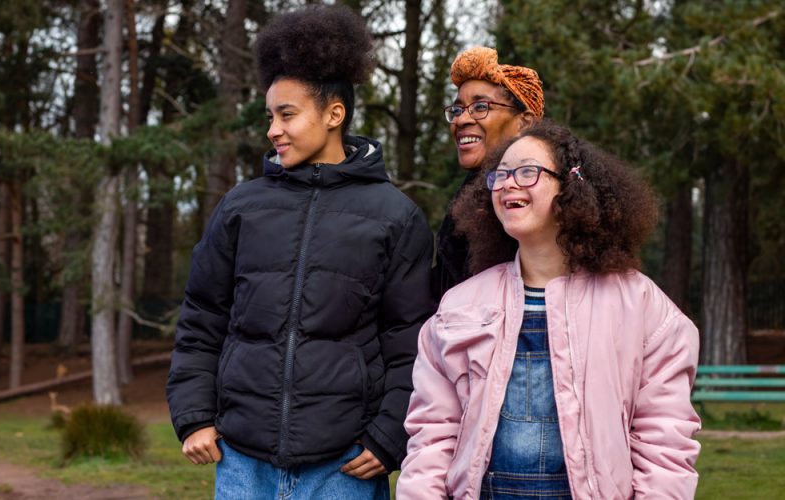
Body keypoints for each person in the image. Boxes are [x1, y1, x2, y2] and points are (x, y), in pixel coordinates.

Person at [166, 5, 435, 499]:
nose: (273, 129)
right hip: (242, 461)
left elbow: (412, 341)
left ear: (334, 114)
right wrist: (195, 416)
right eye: (270, 115)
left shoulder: (396, 217)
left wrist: (389, 435)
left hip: (344, 467)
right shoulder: (240, 208)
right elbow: (202, 319)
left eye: (287, 114)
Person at [397, 121, 701, 499]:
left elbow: (663, 444)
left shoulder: (642, 308)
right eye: (500, 175)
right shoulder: (459, 306)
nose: (508, 183)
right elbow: (432, 435)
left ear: (572, 187)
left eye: (527, 172)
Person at [433, 46, 544, 300]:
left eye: (480, 106)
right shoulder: (468, 200)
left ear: (524, 123)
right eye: (458, 109)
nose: (461, 120)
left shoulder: (545, 203)